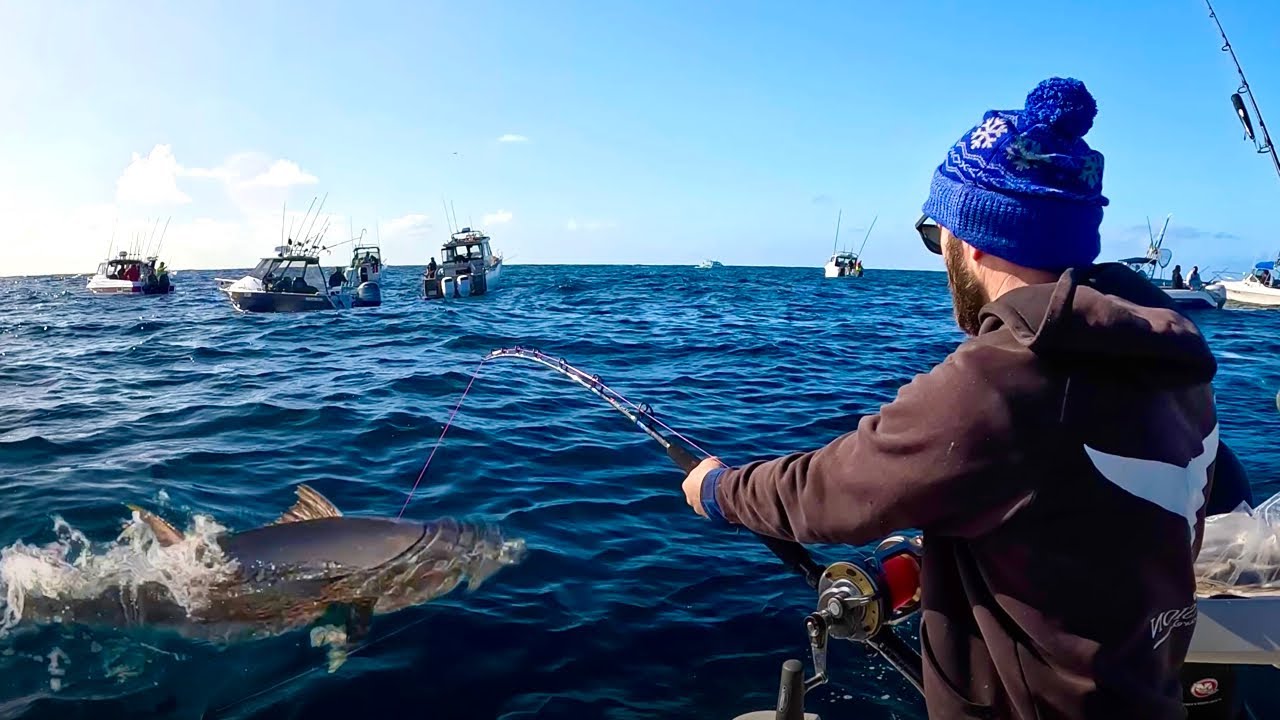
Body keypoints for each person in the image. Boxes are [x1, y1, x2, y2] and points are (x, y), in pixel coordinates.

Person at [680, 78, 1220, 719]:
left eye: (937, 237)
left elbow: (833, 491)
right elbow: (1089, 511)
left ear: (973, 240)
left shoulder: (1010, 374)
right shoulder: (1173, 362)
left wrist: (719, 491)